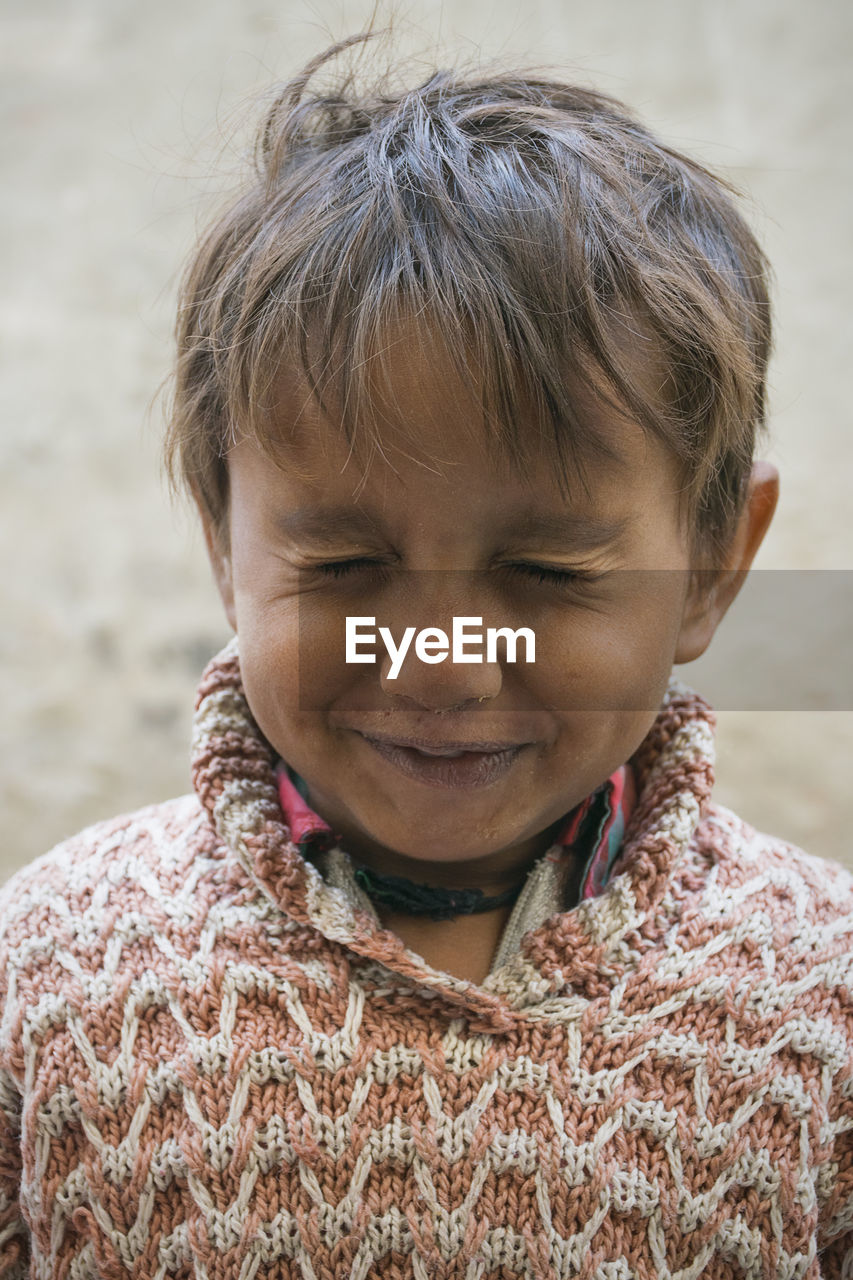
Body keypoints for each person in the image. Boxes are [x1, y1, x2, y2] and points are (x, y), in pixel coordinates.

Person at [1, 34, 851, 1279]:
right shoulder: (48, 975)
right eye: (344, 566)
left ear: (713, 565)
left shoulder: (821, 1002)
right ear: (223, 545)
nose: (442, 662)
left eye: (550, 575)